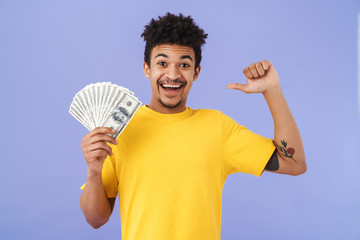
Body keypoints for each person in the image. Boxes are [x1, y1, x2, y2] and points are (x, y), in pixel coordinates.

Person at [79, 13, 306, 240]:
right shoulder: (120, 129)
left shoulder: (217, 128)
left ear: (196, 72)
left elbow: (293, 164)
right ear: (147, 69)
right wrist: (93, 172)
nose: (173, 74)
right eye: (162, 63)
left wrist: (272, 91)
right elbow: (95, 219)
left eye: (184, 64)